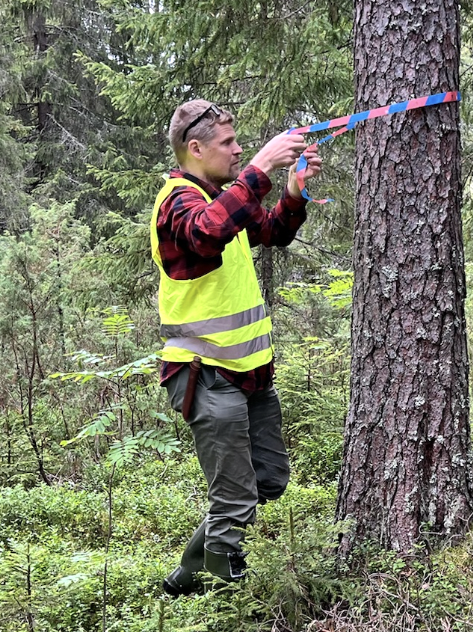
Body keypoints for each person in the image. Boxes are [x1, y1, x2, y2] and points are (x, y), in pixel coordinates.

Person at [150, 100, 322, 596]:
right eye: (228, 143)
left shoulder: (223, 199)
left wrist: (293, 190)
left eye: (239, 142)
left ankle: (188, 572)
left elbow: (273, 232)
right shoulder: (177, 202)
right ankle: (225, 595)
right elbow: (206, 234)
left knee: (268, 480)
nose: (239, 149)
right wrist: (263, 164)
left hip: (250, 372)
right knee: (234, 496)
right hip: (204, 372)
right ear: (195, 148)